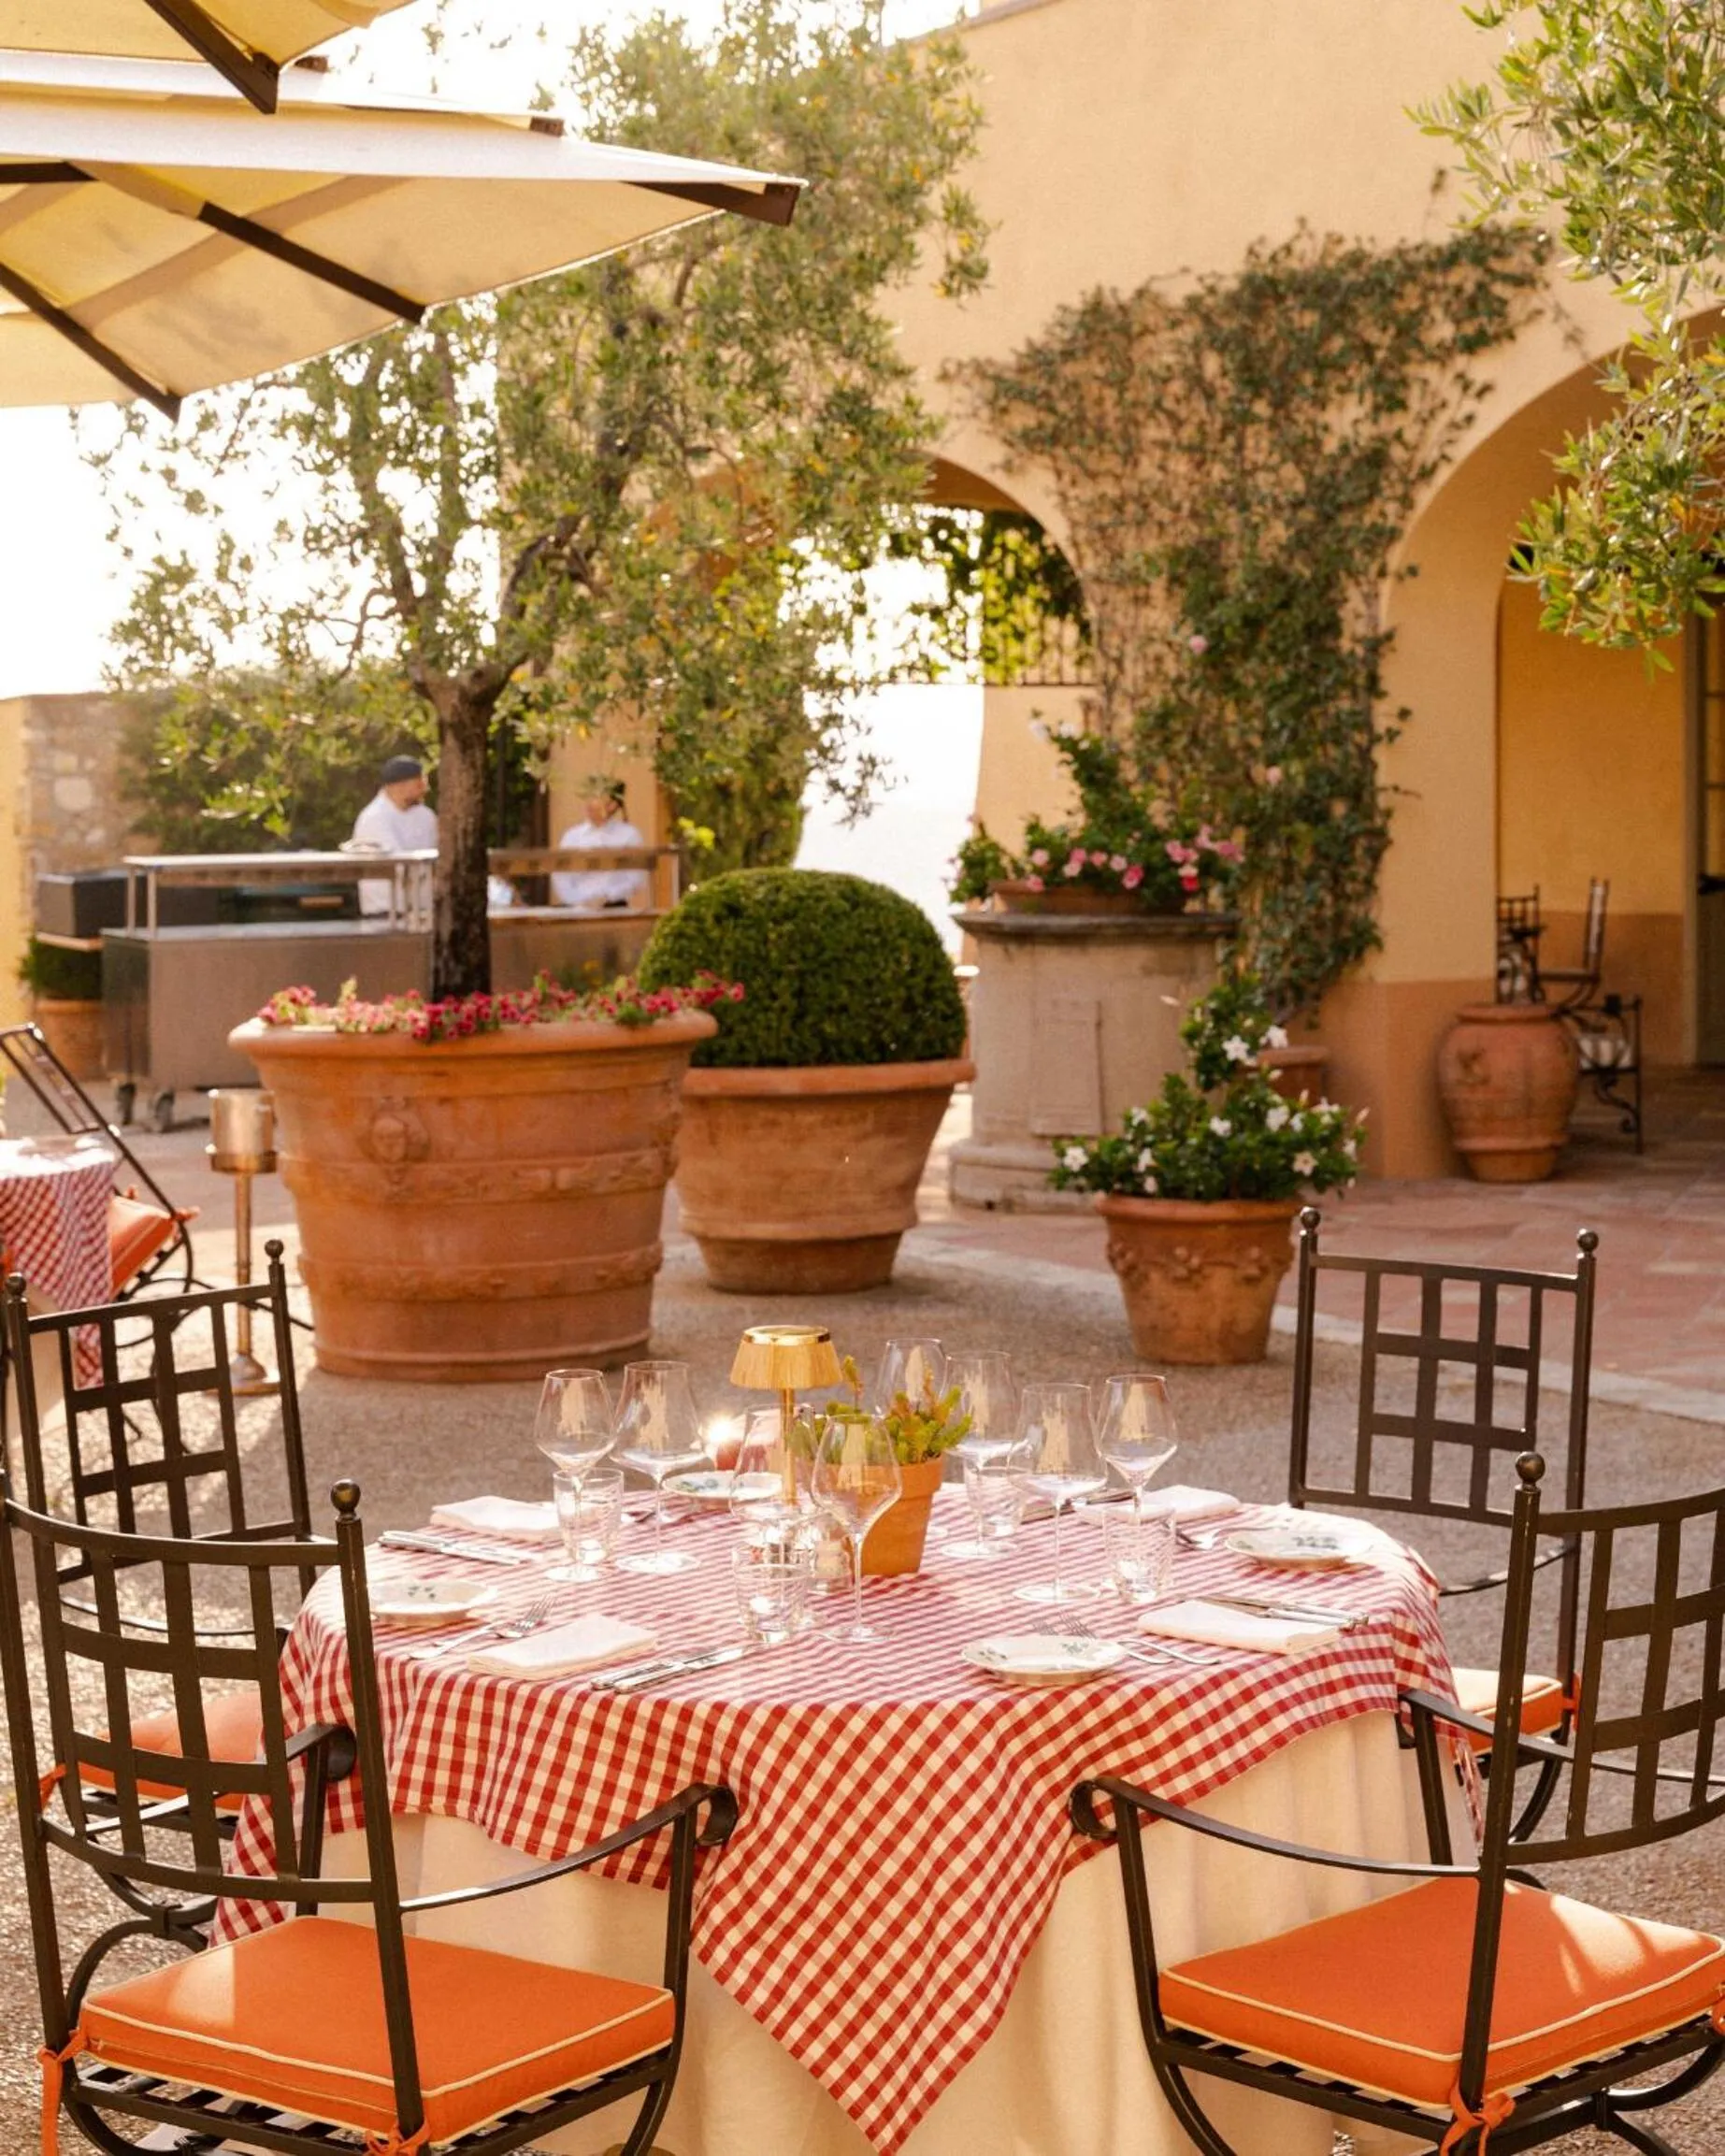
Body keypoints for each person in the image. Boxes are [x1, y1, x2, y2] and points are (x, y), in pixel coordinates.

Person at [350, 755, 438, 918]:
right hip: (386, 912)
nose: (425, 789)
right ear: (398, 786)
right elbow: (400, 867)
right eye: (419, 783)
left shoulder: (426, 816)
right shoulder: (374, 818)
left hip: (423, 911)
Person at [552, 782, 650, 911]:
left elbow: (636, 878)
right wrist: (577, 900)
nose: (591, 803)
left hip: (614, 907)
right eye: (590, 797)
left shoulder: (629, 835)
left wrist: (606, 897)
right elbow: (560, 875)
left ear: (613, 805)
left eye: (597, 798)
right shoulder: (572, 835)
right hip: (576, 908)